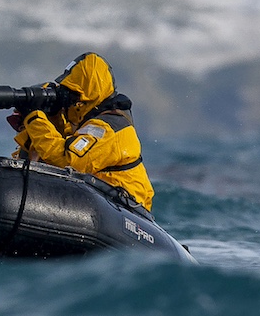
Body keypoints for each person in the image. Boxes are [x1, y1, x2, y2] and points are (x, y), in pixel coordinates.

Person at [10, 52, 153, 210]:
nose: (68, 100)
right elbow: (47, 154)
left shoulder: (109, 128)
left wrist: (34, 117)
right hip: (94, 201)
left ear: (85, 95)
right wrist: (50, 116)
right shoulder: (83, 124)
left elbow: (68, 161)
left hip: (126, 208)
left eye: (72, 93)